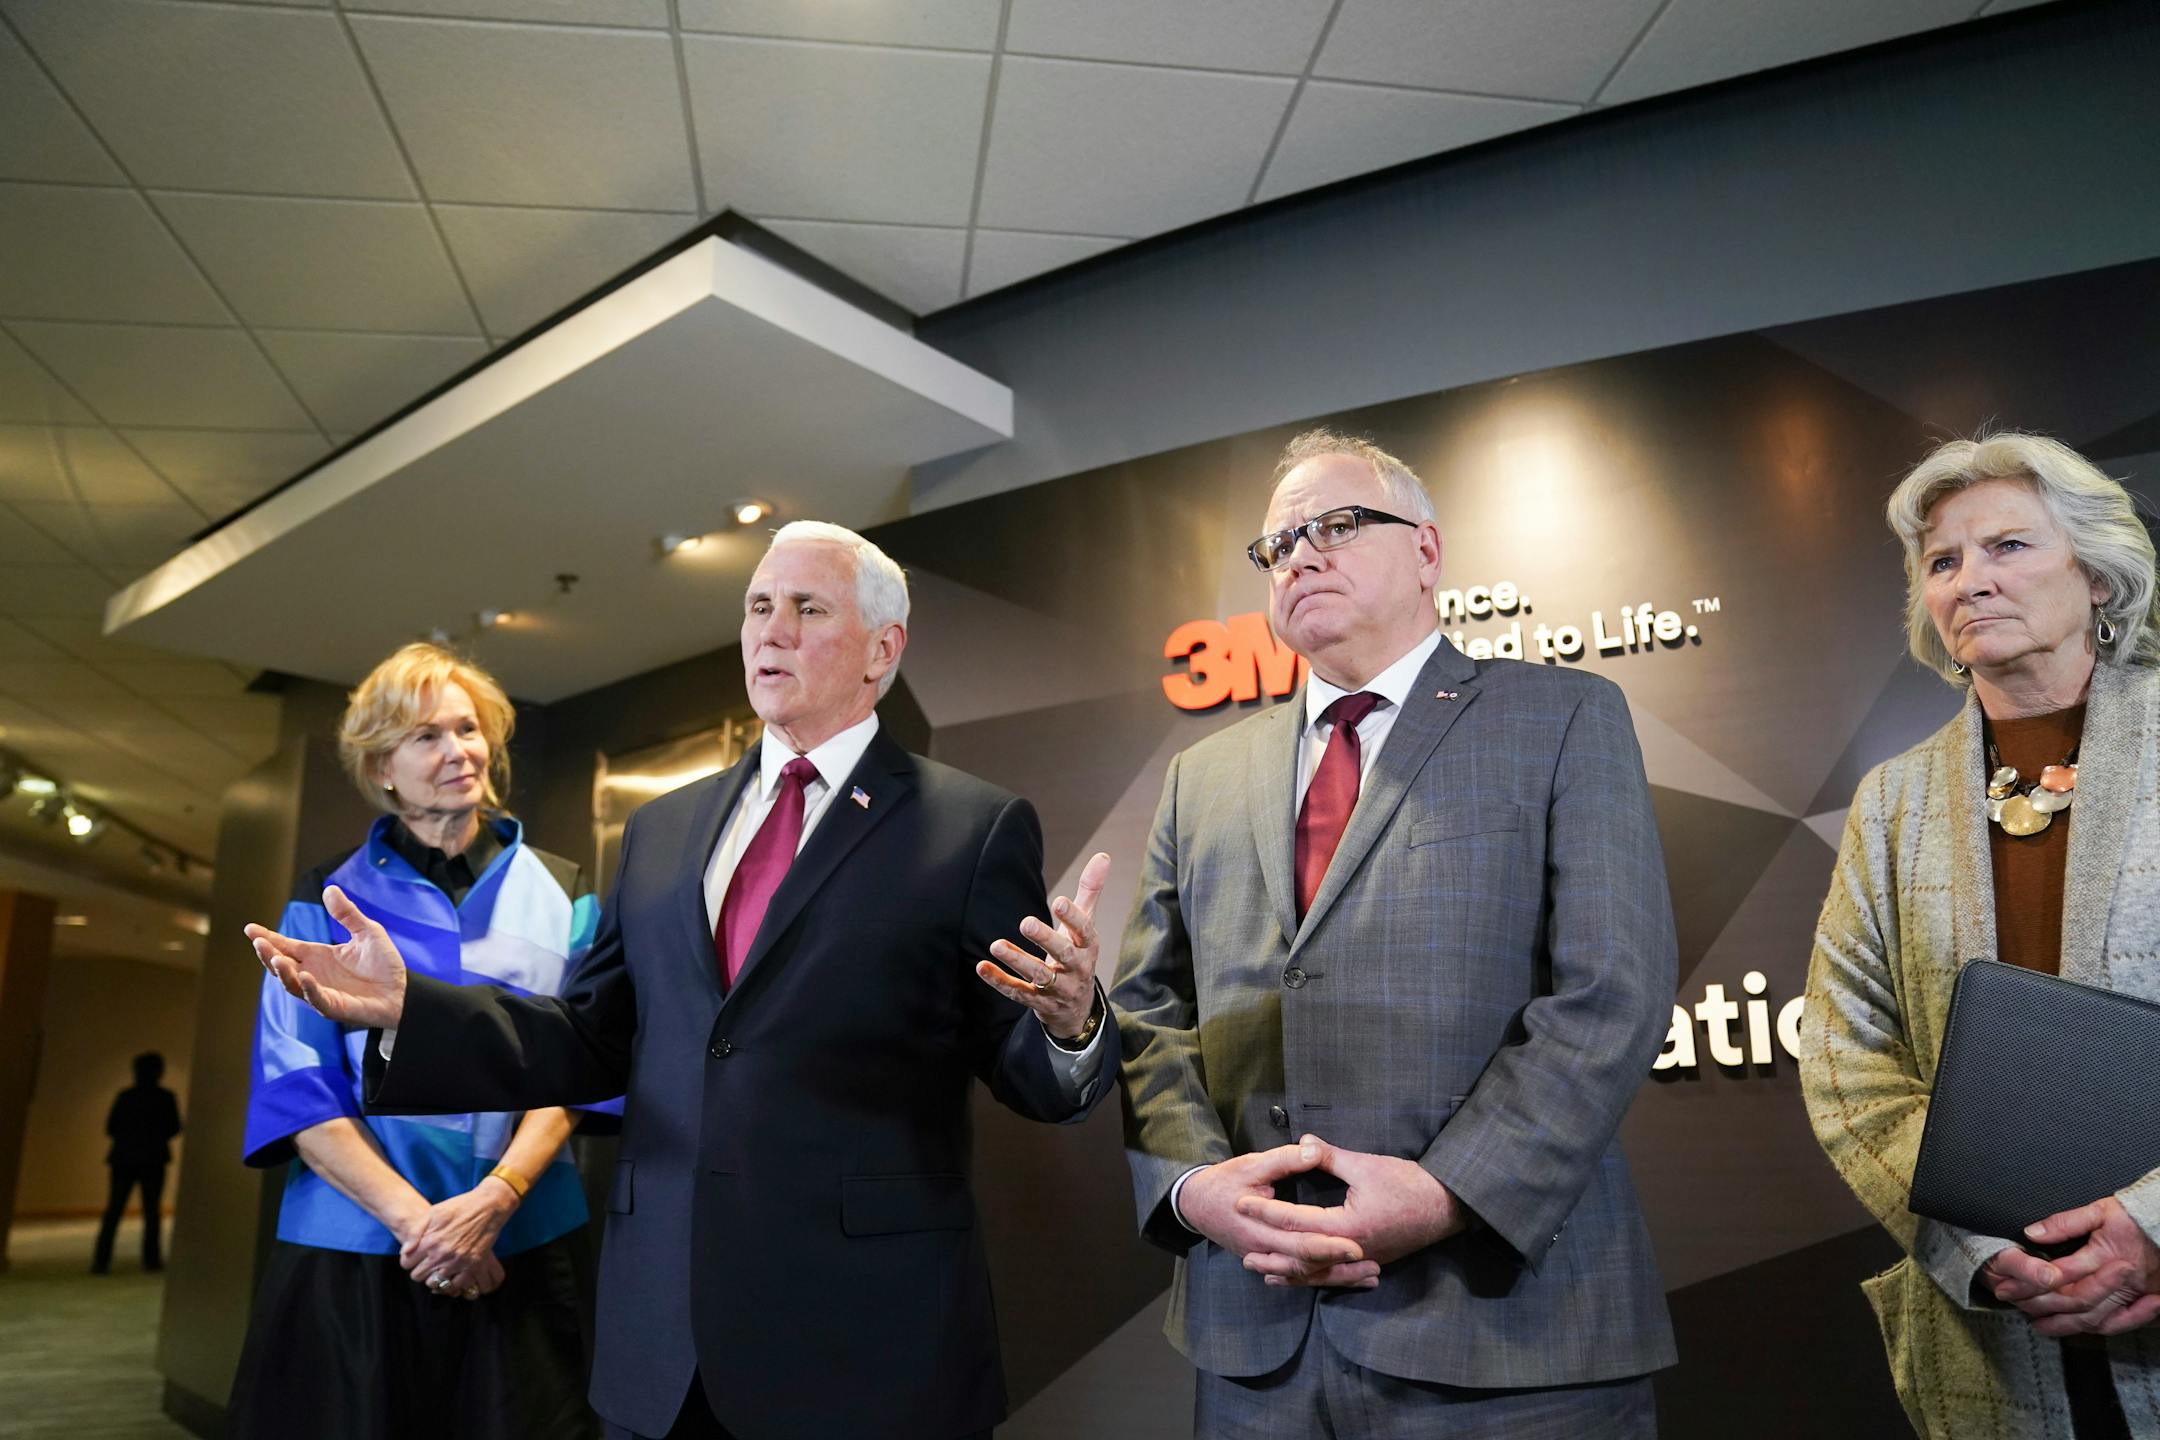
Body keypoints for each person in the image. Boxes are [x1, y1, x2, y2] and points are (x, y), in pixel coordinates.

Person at [245, 520, 1119, 1440]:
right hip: (665, 1341)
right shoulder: (660, 830)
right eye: (758, 606)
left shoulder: (969, 827)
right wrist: (410, 1009)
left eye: (807, 609)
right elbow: (589, 1038)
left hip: (867, 1338)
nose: (770, 630)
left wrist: (1070, 1023)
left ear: (881, 649)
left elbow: (1028, 1069)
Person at [1113, 429, 1678, 1437]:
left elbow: (1612, 992)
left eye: (1335, 525)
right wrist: (1194, 1186)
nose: (1299, 557)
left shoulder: (1562, 717)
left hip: (1506, 1336)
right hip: (1255, 1350)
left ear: (1427, 550)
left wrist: (1447, 1192)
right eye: (1277, 545)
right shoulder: (1202, 777)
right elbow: (1149, 1011)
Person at [1801, 432, 2160, 1438]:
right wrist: (1975, 1249)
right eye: (1944, 562)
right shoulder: (1891, 802)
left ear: (2097, 575)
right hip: (1996, 1347)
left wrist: (2152, 1225)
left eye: (2008, 547)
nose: (1970, 581)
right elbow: (1845, 1060)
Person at [229, 642, 615, 1440]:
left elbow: (584, 1061)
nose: (458, 751)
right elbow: (297, 1085)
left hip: (524, 1236)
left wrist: (494, 1201)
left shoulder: (564, 890)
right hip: (358, 1245)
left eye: (468, 729)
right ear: (382, 768)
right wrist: (424, 1228)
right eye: (426, 736)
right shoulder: (326, 897)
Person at [91, 1050, 181, 1274]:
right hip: (153, 1159)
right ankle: (151, 1260)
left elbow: (111, 1127)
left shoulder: (126, 1097)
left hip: (124, 1158)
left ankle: (101, 1261)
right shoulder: (164, 1097)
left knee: (114, 1210)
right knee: (151, 1212)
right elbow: (173, 1127)